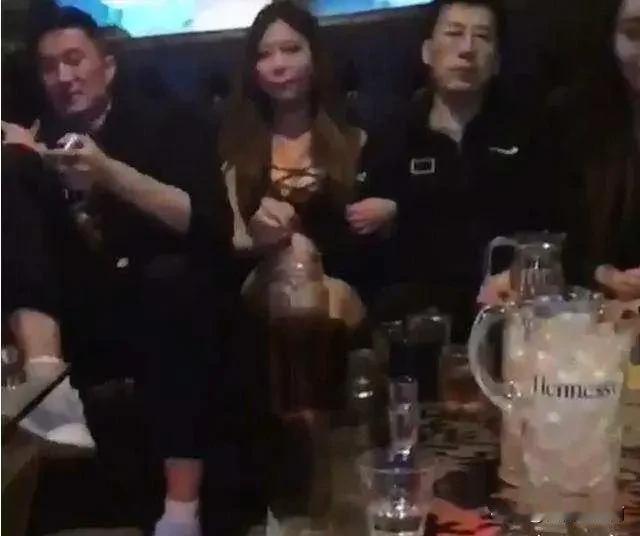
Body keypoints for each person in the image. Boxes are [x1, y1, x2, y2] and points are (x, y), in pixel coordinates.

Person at [1, 8, 232, 536]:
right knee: (10, 175)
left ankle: (181, 510)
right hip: (79, 310)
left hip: (162, 298)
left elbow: (210, 226)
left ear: (107, 66)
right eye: (49, 67)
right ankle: (47, 382)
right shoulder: (40, 140)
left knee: (174, 285)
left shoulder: (170, 123)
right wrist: (26, 160)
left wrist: (107, 172)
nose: (63, 76)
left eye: (74, 60)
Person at [383, 0, 551, 337]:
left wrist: (518, 274)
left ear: (497, 61)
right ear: (427, 51)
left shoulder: (531, 133)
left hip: (512, 316)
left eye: (483, 37)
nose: (467, 49)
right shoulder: (393, 136)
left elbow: (554, 231)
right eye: (454, 33)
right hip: (416, 325)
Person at [480, 0, 640, 306]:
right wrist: (601, 273)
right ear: (610, 39)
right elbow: (548, 236)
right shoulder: (571, 123)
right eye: (634, 33)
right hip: (596, 310)